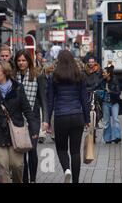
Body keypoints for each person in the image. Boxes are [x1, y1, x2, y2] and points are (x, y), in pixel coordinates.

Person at [0, 61, 39, 183]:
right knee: (2, 167)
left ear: (5, 72)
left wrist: (34, 128)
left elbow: (27, 110)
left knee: (17, 166)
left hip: (16, 133)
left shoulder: (18, 88)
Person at [45, 50, 90, 183]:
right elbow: (84, 99)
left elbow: (50, 101)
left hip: (61, 117)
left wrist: (47, 120)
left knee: (61, 148)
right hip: (77, 116)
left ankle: (66, 170)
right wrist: (87, 119)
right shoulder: (79, 76)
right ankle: (75, 181)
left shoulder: (54, 77)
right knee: (75, 151)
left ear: (58, 60)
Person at [14, 49, 49, 183]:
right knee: (21, 151)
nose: (21, 63)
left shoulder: (37, 75)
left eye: (24, 60)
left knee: (32, 149)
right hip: (17, 119)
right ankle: (25, 180)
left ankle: (33, 179)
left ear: (28, 61)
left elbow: (43, 99)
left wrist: (46, 120)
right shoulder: (13, 76)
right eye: (19, 60)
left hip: (33, 118)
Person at [99, 64, 122, 144]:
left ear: (108, 73)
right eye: (102, 73)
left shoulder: (115, 80)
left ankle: (117, 137)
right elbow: (95, 86)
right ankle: (107, 139)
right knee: (106, 121)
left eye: (104, 73)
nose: (103, 74)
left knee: (115, 119)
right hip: (105, 103)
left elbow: (118, 92)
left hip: (114, 102)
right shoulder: (102, 81)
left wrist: (110, 91)